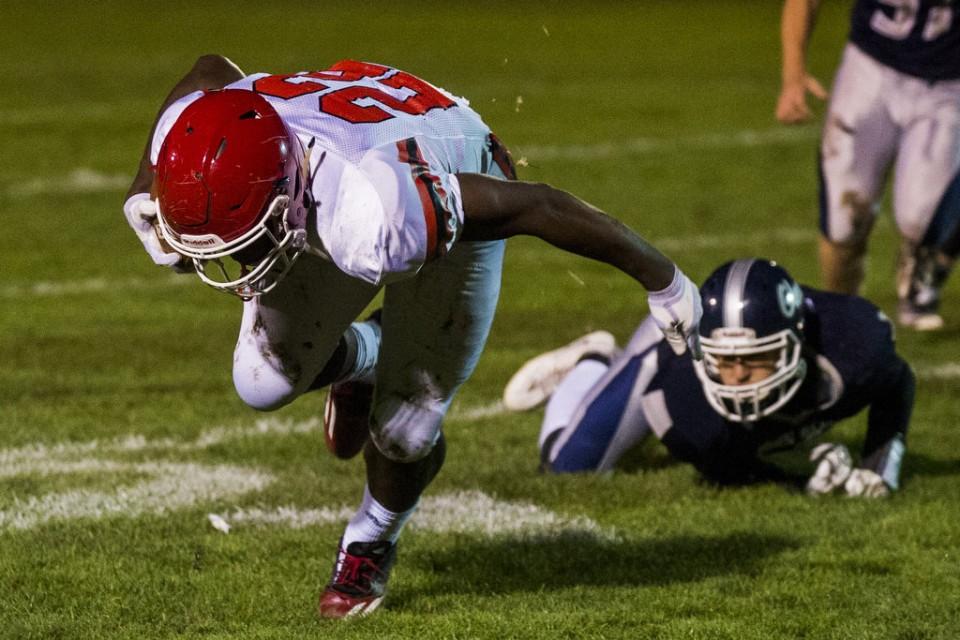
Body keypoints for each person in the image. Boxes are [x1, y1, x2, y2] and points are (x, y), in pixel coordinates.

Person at [123, 54, 703, 619]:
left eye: (247, 241)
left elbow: (537, 206)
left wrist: (662, 278)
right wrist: (143, 185)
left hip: (441, 162)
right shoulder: (209, 127)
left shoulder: (376, 219)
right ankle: (369, 357)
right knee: (262, 381)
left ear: (284, 197)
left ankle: (370, 539)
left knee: (406, 428)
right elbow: (209, 70)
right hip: (339, 150)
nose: (240, 262)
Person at [506, 258, 912, 496]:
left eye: (756, 359)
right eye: (725, 362)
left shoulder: (853, 344)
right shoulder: (688, 391)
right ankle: (592, 360)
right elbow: (732, 467)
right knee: (568, 467)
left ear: (797, 344)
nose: (737, 377)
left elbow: (897, 381)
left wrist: (879, 468)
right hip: (670, 347)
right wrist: (802, 474)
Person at [776, 0, 960, 331]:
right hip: (870, 71)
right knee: (844, 223)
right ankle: (842, 320)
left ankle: (923, 265)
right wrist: (793, 74)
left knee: (921, 220)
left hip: (949, 86)